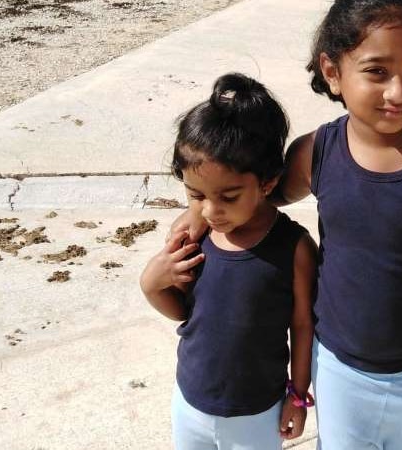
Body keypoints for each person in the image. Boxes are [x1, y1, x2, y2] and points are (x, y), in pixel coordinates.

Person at [172, 0, 402, 448]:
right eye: (377, 71)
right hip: (338, 368)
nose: (399, 92)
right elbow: (257, 193)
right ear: (333, 72)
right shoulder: (317, 153)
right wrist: (200, 211)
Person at [140, 72, 317, 450]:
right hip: (191, 401)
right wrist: (152, 282)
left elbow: (303, 327)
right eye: (195, 194)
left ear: (267, 182)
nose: (210, 209)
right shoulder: (193, 233)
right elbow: (186, 312)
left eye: (229, 197)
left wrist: (298, 396)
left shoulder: (294, 248)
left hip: (257, 413)